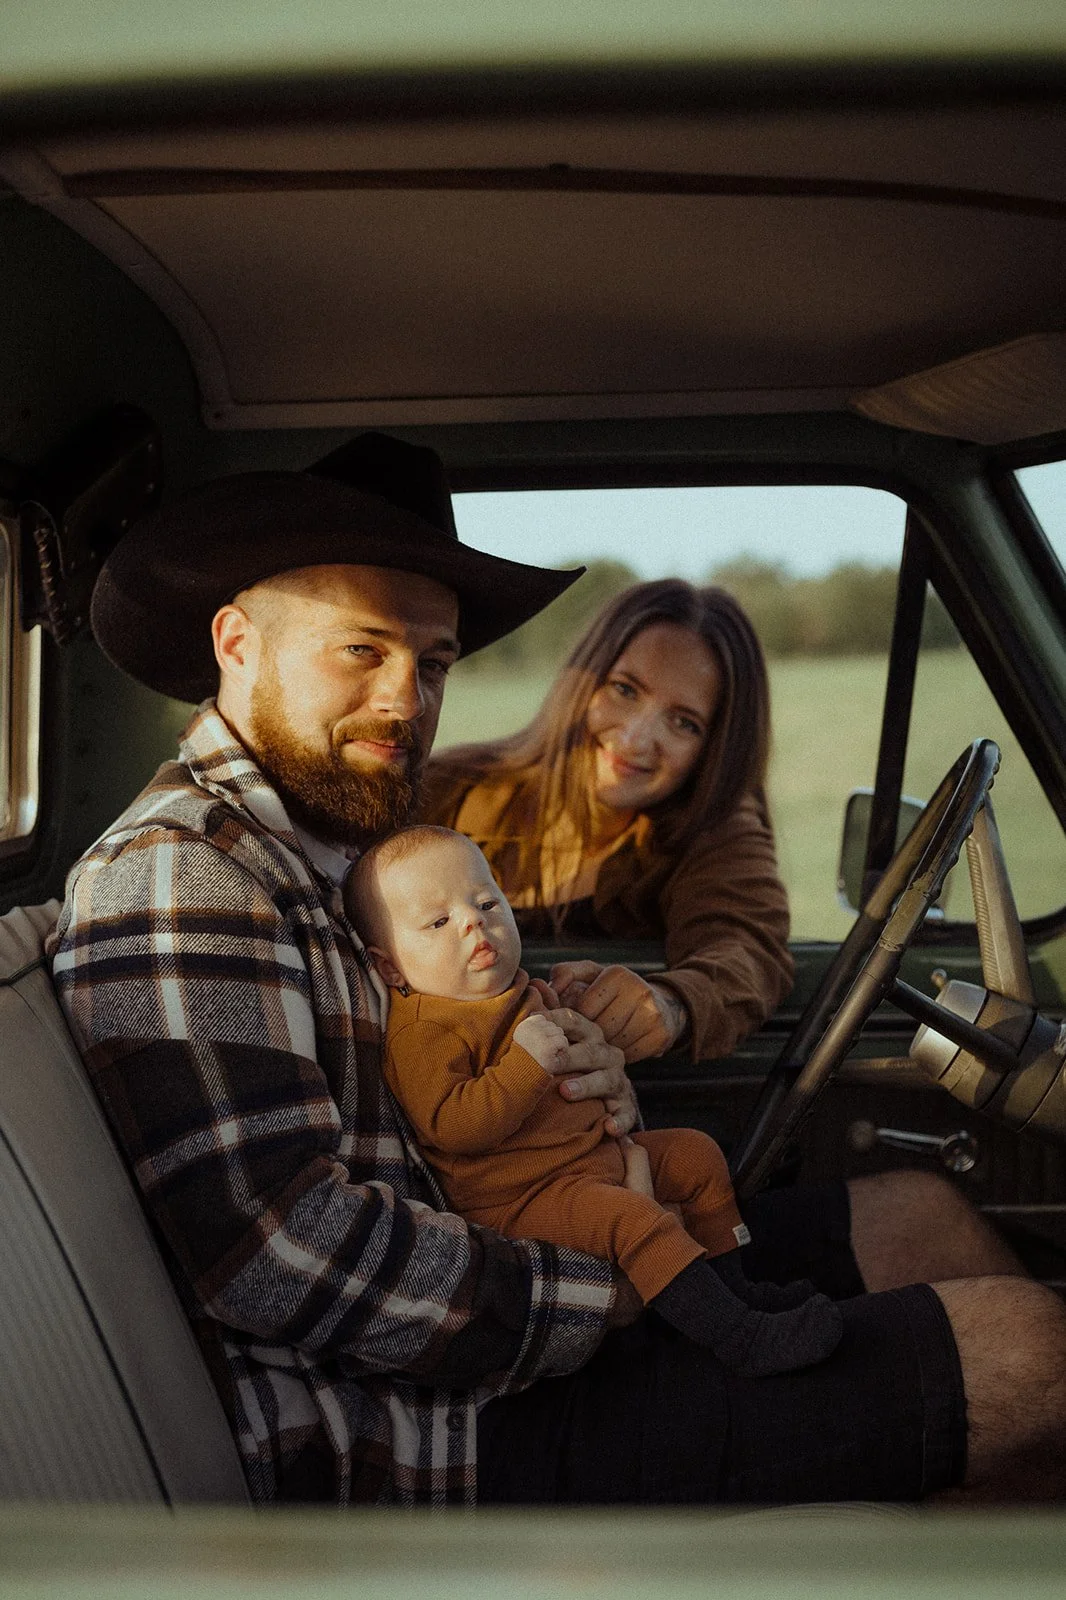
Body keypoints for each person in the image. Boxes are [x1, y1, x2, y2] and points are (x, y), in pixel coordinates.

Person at [49, 430, 1066, 1508]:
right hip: (425, 1426)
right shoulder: (182, 874)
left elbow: (473, 1044)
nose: (405, 697)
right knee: (1032, 1357)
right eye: (363, 650)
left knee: (920, 1209)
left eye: (431, 662)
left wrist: (579, 1058)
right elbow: (278, 1252)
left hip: (517, 1258)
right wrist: (610, 1283)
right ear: (237, 643)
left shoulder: (337, 846)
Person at [349, 823, 842, 1378]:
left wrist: (576, 1007)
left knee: (698, 1156)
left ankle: (732, 1292)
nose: (473, 922)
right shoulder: (426, 1031)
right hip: (521, 1199)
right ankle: (738, 1338)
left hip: (590, 1161)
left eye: (487, 902)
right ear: (390, 967)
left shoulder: (518, 991)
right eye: (438, 922)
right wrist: (526, 1066)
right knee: (634, 1220)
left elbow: (572, 1045)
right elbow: (452, 1125)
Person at [421, 579, 792, 1067]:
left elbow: (747, 951)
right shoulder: (448, 788)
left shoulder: (714, 825)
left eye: (684, 723)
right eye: (624, 690)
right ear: (583, 681)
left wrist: (671, 1004)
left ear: (715, 748)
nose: (637, 740)